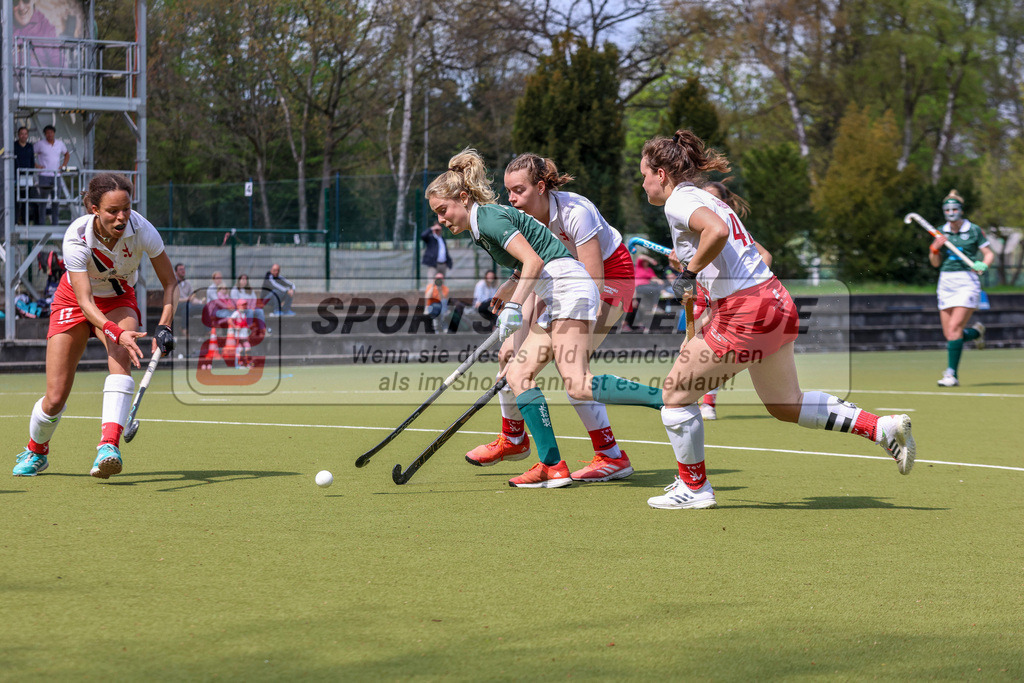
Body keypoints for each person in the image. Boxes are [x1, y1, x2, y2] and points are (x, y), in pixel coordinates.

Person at [587, 130, 917, 509]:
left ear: (661, 173)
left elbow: (717, 232)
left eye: (644, 174)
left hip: (746, 311)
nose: (642, 182)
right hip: (773, 299)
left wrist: (690, 272)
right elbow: (754, 252)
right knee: (785, 404)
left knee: (676, 397)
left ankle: (694, 488)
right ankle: (879, 427)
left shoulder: (679, 201)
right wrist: (702, 284)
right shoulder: (704, 198)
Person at [426, 149, 601, 488]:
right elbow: (527, 264)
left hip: (568, 287)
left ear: (463, 197)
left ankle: (660, 399)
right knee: (516, 373)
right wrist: (511, 286)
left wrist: (513, 306)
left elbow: (535, 262)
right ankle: (552, 465)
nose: (442, 220)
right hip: (558, 290)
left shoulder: (488, 218)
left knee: (575, 382)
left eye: (443, 210)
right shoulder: (482, 225)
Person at [463, 153, 636, 483]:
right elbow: (535, 260)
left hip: (609, 280)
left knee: (571, 368)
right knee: (508, 355)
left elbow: (593, 277)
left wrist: (568, 327)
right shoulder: (523, 215)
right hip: (560, 280)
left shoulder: (576, 212)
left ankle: (611, 456)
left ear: (541, 187)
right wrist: (510, 288)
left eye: (518, 190)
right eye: (508, 191)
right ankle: (513, 439)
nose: (511, 198)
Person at [13, 173, 179, 478]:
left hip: (118, 299)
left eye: (126, 209)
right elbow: (86, 302)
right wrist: (114, 330)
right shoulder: (76, 237)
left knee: (120, 362)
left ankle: (108, 447)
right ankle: (36, 451)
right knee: (55, 396)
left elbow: (170, 282)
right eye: (113, 211)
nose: (122, 217)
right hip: (75, 300)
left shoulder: (143, 230)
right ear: (94, 209)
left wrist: (164, 326)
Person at [694, 180, 773, 420]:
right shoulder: (694, 227)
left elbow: (765, 255)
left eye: (713, 199)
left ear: (724, 204)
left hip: (727, 300)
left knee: (719, 352)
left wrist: (753, 285)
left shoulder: (727, 231)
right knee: (694, 351)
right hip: (702, 297)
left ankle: (707, 403)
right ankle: (697, 402)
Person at [928, 190, 994, 387]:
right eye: (947, 209)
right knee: (950, 334)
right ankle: (976, 333)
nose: (951, 212)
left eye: (954, 208)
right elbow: (935, 263)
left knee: (955, 329)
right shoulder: (940, 231)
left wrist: (984, 264)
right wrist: (934, 249)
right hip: (946, 282)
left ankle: (951, 374)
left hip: (967, 280)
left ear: (961, 210)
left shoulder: (974, 230)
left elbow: (988, 253)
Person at [34, 124, 69, 225]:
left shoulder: (60, 143)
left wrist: (63, 166)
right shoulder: (40, 144)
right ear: (45, 134)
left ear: (54, 133)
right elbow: (29, 154)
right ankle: (42, 225)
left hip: (56, 176)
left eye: (51, 132)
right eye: (47, 133)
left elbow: (67, 154)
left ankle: (55, 224)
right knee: (43, 202)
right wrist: (36, 165)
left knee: (56, 201)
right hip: (44, 176)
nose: (50, 134)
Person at [14, 126, 35, 223]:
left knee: (26, 201)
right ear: (18, 135)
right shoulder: (14, 146)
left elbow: (32, 161)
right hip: (15, 178)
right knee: (16, 202)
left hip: (27, 178)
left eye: (25, 134)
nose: (23, 136)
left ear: (27, 135)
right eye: (21, 134)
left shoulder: (30, 146)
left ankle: (25, 222)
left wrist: (31, 173)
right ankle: (15, 222)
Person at [174, 263, 200, 334]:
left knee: (204, 307)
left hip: (188, 306)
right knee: (186, 305)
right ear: (176, 272)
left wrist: (200, 302)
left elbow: (193, 294)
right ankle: (184, 328)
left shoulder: (187, 283)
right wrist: (188, 299)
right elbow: (174, 300)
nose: (183, 271)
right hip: (177, 307)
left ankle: (208, 331)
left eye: (184, 269)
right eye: (180, 269)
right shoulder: (172, 283)